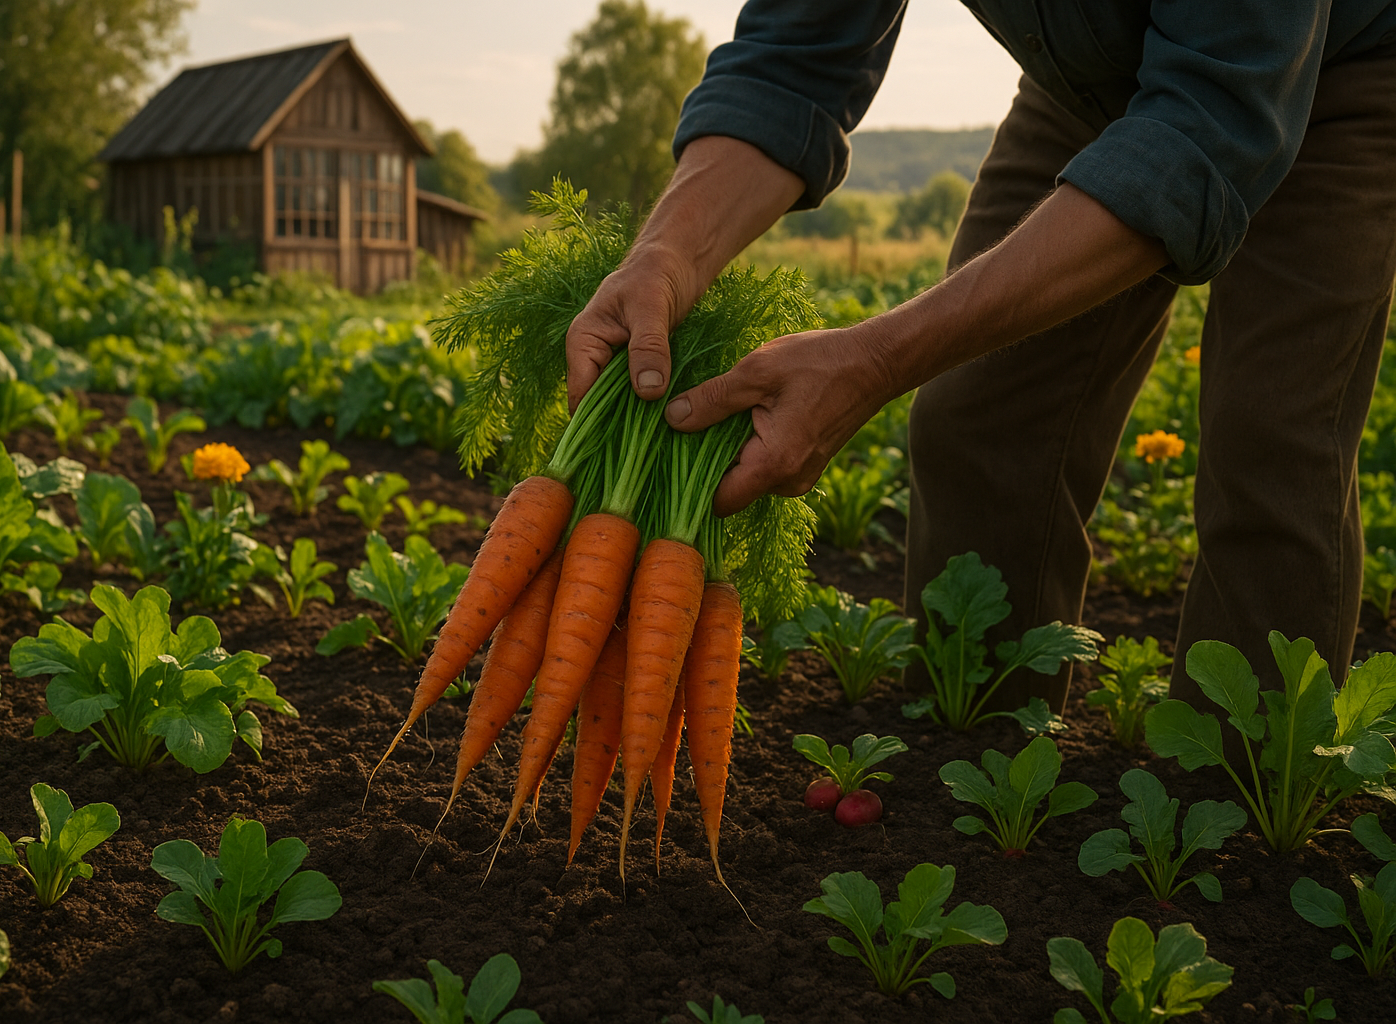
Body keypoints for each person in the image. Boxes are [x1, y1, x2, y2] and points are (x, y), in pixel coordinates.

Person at [563, 1, 1396, 714]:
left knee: (1272, 439)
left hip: (1337, 71)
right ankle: (983, 753)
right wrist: (666, 253)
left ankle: (1242, 812)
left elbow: (1209, 126)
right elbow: (790, 64)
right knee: (979, 417)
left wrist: (877, 360)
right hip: (1092, 84)